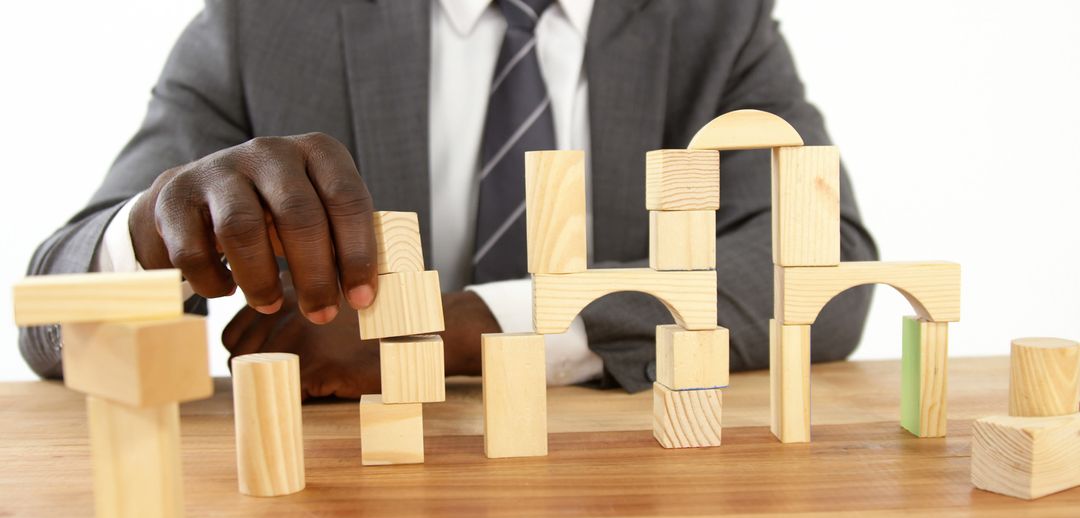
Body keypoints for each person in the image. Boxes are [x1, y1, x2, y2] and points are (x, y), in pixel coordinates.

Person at [19, 0, 877, 399]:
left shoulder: (711, 22)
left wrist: (457, 326)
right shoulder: (265, 22)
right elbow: (50, 315)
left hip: (618, 501)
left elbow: (823, 273)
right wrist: (151, 232)